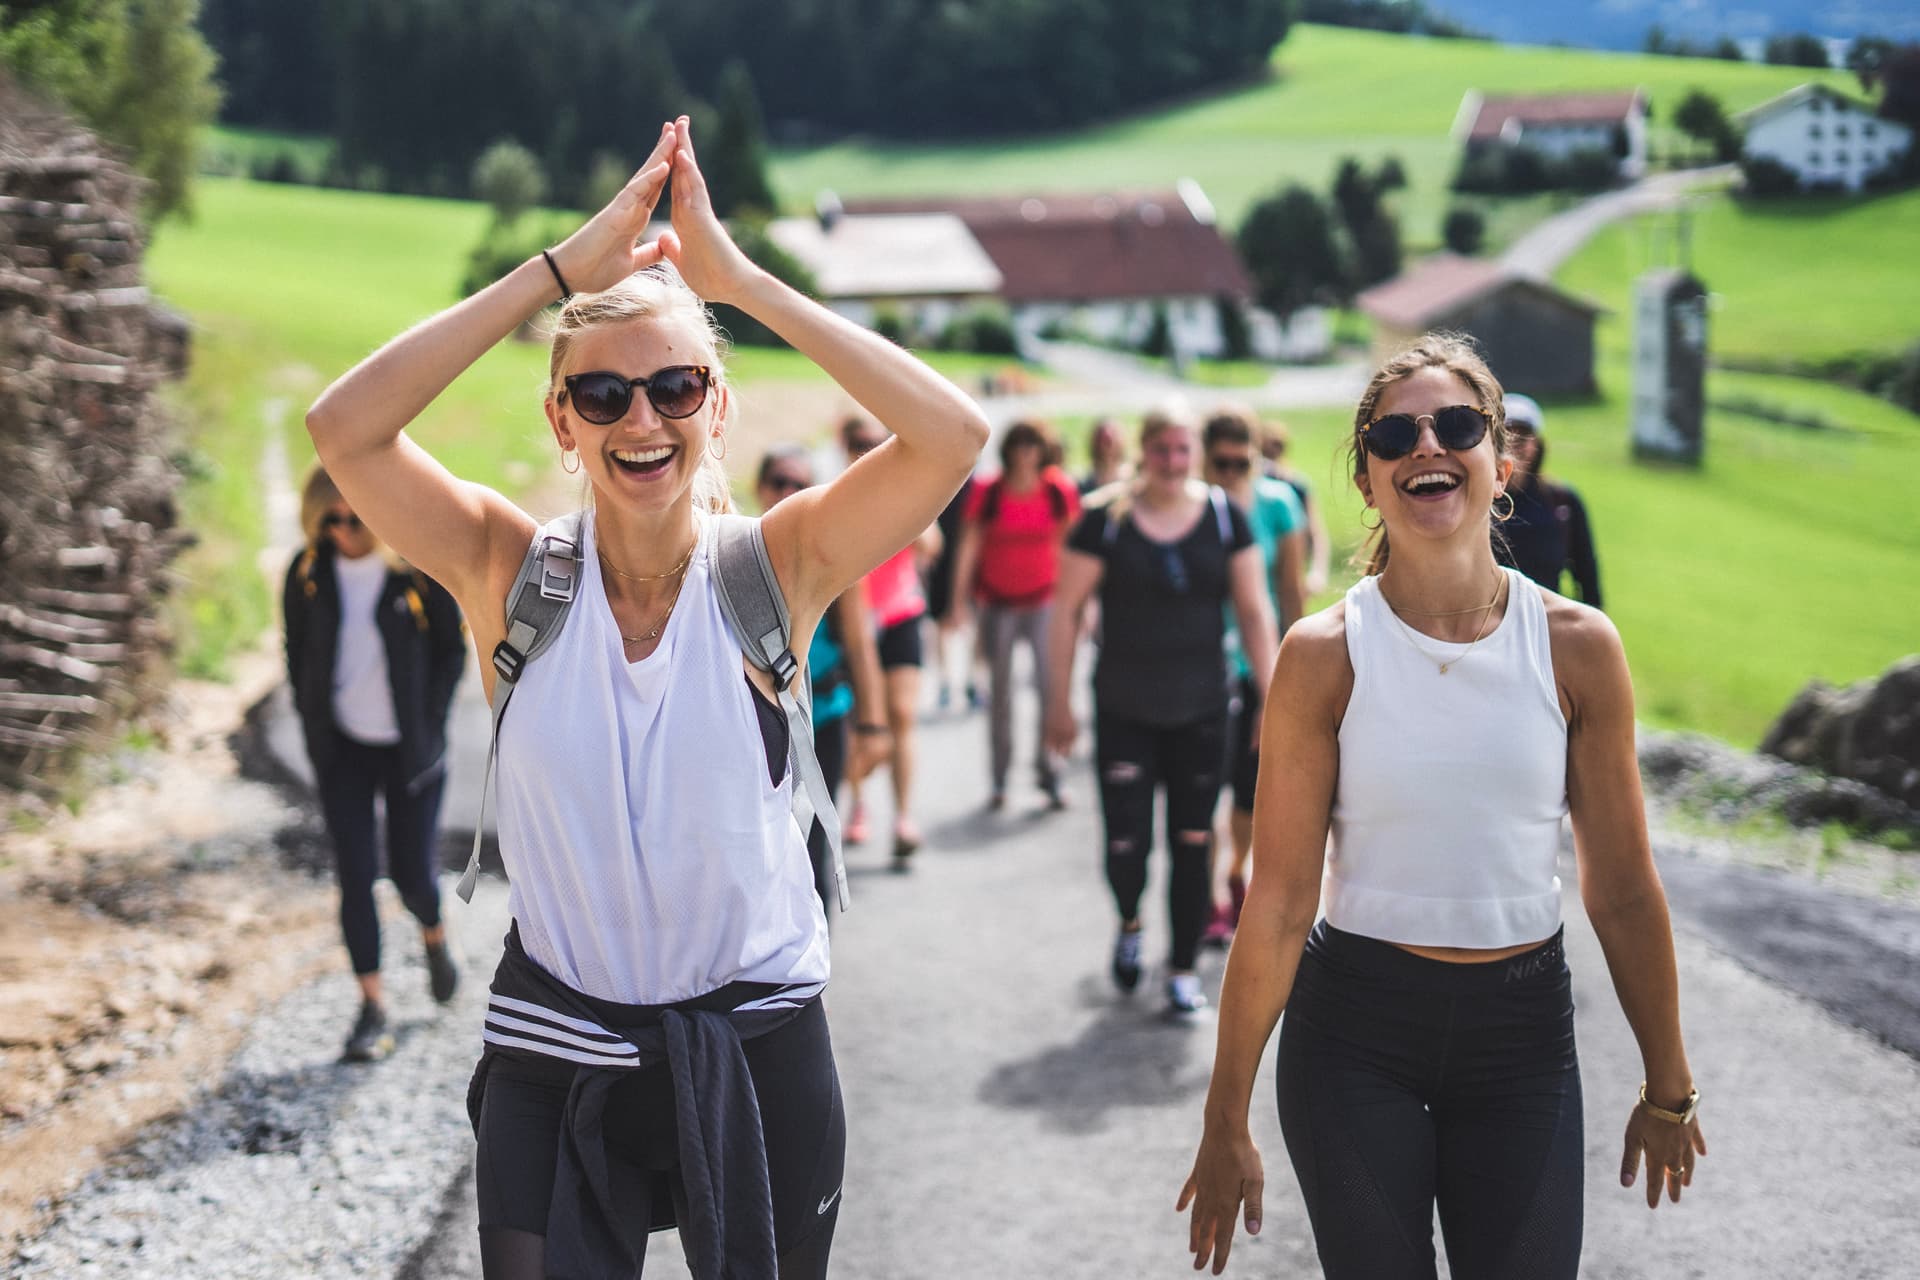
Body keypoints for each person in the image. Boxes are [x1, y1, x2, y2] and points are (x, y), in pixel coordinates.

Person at [304, 118, 988, 1279]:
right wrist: (564, 270)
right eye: (605, 394)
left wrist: (742, 283)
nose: (642, 419)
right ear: (562, 419)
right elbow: (344, 428)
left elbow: (952, 434)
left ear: (716, 407)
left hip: (758, 1040)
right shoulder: (505, 571)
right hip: (556, 1042)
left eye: (676, 386)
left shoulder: (779, 566)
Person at [1178, 335, 1704, 1278]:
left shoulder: (1578, 647)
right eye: (1394, 434)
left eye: (1456, 425)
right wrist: (1226, 1120)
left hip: (1522, 1039)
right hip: (1354, 1039)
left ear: (1501, 462)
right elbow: (1282, 903)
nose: (1426, 445)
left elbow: (1621, 886)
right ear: (1368, 477)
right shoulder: (1323, 654)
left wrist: (1669, 1083)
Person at [1045, 407, 1278, 1018]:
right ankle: (1129, 923)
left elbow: (1255, 612)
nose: (1172, 463)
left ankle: (1180, 968)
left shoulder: (1227, 518)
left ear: (1195, 453)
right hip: (1125, 707)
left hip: (1204, 710)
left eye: (1182, 451)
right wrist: (1056, 703)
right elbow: (1065, 613)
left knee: (1193, 841)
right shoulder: (1103, 521)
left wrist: (1271, 699)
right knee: (1128, 843)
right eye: (1161, 450)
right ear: (1142, 452)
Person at [283, 466, 466, 1063]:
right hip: (343, 751)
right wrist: (314, 729)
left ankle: (434, 939)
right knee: (355, 874)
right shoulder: (308, 575)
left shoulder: (414, 572)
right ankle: (372, 1008)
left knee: (414, 875)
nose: (343, 530)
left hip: (410, 751)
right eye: (329, 519)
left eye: (354, 518)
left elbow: (450, 650)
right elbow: (295, 652)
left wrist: (429, 724)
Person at [755, 446, 889, 919]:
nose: (787, 492)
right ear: (760, 487)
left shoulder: (837, 560)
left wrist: (873, 725)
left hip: (824, 718)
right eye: (778, 481)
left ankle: (815, 976)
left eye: (800, 484)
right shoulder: (738, 553)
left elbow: (860, 643)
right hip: (756, 725)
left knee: (812, 845)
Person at [1198, 409, 1306, 949]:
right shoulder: (1191, 506)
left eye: (1244, 461)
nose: (1233, 471)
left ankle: (1232, 873)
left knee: (1247, 788)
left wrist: (1289, 668)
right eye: (1222, 462)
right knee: (1199, 788)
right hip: (1198, 668)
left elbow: (1290, 588)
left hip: (1258, 668)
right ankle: (1207, 893)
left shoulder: (1278, 504)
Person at [949, 419, 1081, 811]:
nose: (1026, 454)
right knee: (1001, 694)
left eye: (1033, 446)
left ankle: (1050, 773)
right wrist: (958, 603)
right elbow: (968, 548)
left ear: (1043, 451)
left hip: (1044, 603)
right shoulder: (990, 491)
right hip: (998, 604)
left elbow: (1072, 550)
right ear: (1008, 450)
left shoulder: (1058, 490)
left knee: (1049, 688)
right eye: (1019, 446)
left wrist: (1077, 607)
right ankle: (1000, 778)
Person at [839, 414, 943, 867]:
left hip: (901, 612)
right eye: (858, 442)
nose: (866, 449)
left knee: (901, 714)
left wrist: (900, 501)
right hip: (856, 619)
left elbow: (931, 546)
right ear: (844, 447)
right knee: (862, 717)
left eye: (875, 442)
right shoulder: (835, 494)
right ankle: (859, 803)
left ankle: (903, 817)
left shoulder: (903, 489)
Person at [1497, 392, 1603, 607]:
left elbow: (1587, 575)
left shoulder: (1563, 501)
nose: (1515, 443)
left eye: (1524, 435)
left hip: (1547, 628)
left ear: (1537, 444)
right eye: (1508, 434)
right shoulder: (1476, 501)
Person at [1259, 421, 1331, 597]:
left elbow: (1316, 532)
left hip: (1292, 566)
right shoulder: (1254, 484)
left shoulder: (1296, 484)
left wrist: (1317, 572)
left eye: (1276, 447)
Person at [1078, 415, 1131, 495]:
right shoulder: (1083, 482)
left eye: (1110, 441)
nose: (1108, 447)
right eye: (1104, 440)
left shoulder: (1132, 476)